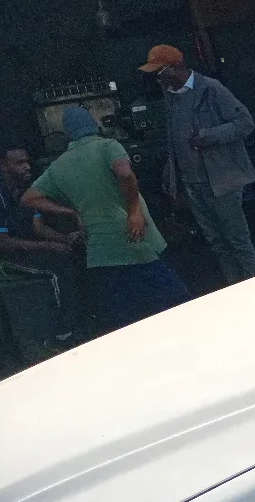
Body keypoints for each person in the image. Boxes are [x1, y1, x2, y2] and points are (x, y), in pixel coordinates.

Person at [22, 106, 189, 333]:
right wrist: (134, 212)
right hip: (133, 236)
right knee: (177, 303)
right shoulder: (108, 146)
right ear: (94, 125)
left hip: (99, 250)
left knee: (123, 319)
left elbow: (30, 199)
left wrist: (72, 211)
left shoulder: (58, 165)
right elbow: (124, 173)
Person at [138, 44, 255, 284]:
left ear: (174, 67)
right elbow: (174, 140)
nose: (157, 78)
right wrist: (170, 174)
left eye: (159, 72)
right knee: (217, 243)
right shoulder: (170, 96)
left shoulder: (210, 89)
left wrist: (208, 136)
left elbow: (245, 122)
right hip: (192, 183)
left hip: (221, 180)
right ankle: (235, 290)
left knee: (237, 240)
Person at [0, 143, 86, 338]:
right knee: (57, 271)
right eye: (20, 163)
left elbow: (38, 227)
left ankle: (83, 321)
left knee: (76, 255)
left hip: (32, 248)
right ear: (3, 165)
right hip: (8, 257)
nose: (27, 167)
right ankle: (62, 334)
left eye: (27, 161)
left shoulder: (26, 191)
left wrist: (66, 239)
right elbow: (2, 243)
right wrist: (49, 246)